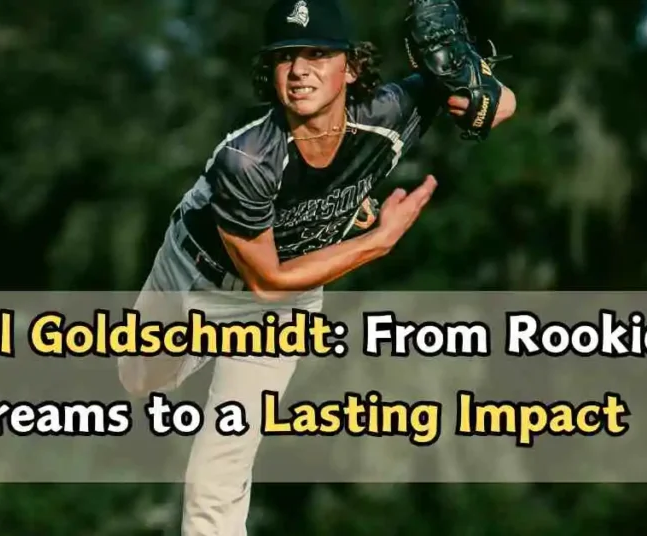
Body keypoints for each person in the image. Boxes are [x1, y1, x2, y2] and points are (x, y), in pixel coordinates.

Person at [118, 0, 517, 533]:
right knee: (141, 379)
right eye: (286, 57)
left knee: (219, 469)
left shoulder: (390, 112)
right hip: (196, 277)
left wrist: (463, 75)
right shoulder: (249, 159)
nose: (301, 69)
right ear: (271, 71)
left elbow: (502, 105)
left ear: (351, 67)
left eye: (317, 54)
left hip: (282, 309)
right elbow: (266, 279)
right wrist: (378, 241)